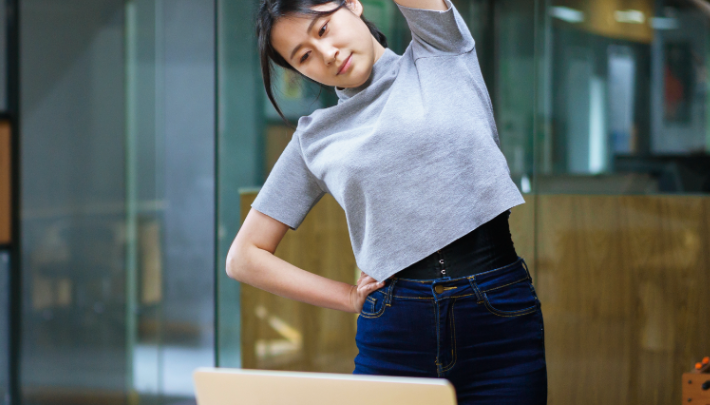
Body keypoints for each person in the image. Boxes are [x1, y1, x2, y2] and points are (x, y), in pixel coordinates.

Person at [224, 0, 546, 403]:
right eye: (304, 56)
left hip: (499, 319)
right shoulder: (315, 136)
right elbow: (244, 258)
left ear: (354, 5)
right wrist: (346, 297)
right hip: (394, 334)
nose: (327, 54)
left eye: (323, 29)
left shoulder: (439, 49)